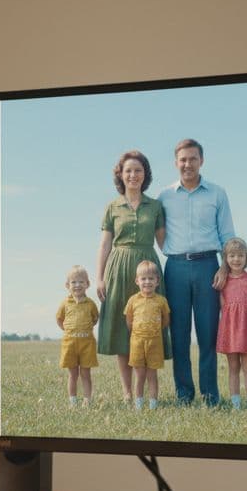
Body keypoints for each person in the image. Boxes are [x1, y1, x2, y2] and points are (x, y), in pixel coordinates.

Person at [157, 139, 236, 406]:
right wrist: (171, 251)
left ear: (201, 160)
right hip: (175, 268)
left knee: (207, 334)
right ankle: (184, 394)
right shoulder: (164, 196)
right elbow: (160, 232)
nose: (187, 164)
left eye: (192, 158)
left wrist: (224, 268)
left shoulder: (217, 193)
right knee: (178, 335)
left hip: (208, 268)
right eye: (182, 159)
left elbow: (227, 235)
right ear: (175, 162)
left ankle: (210, 395)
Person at [96, 150, 169, 404]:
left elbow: (164, 243)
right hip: (118, 267)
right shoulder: (112, 207)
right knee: (121, 329)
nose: (133, 175)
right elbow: (105, 245)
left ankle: (149, 393)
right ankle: (128, 392)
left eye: (138, 170)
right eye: (128, 170)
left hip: (148, 268)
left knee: (147, 327)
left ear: (145, 174)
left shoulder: (156, 206)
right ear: (121, 175)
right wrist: (100, 278)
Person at [215, 237, 247, 410]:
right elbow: (222, 308)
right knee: (233, 368)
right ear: (226, 258)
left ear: (246, 257)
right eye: (232, 256)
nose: (236, 259)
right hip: (230, 330)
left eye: (240, 256)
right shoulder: (222, 280)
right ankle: (236, 406)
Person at [124, 260, 171, 410]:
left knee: (152, 375)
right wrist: (139, 332)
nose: (147, 282)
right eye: (143, 279)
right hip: (137, 342)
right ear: (137, 281)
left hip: (155, 343)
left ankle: (153, 405)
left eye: (151, 278)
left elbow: (166, 320)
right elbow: (129, 320)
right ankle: (138, 405)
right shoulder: (133, 300)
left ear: (157, 281)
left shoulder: (161, 301)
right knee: (140, 376)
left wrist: (154, 331)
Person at [56, 265, 99, 407]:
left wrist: (84, 329)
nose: (77, 285)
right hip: (70, 343)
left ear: (87, 284)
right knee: (73, 374)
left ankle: (87, 400)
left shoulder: (91, 304)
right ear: (67, 285)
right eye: (73, 282)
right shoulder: (65, 304)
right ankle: (72, 401)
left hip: (87, 343)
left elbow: (95, 318)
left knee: (86, 373)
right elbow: (59, 319)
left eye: (81, 282)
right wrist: (69, 331)